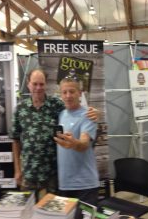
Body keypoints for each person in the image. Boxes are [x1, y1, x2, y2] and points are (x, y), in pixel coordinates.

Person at [10, 69, 98, 200]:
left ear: (46, 84)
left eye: (41, 84)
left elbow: (77, 108)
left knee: (55, 212)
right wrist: (17, 170)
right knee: (28, 212)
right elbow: (15, 140)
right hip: (29, 172)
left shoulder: (56, 105)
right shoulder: (20, 109)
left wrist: (95, 112)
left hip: (54, 175)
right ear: (28, 84)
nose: (38, 88)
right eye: (35, 84)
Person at [54, 77, 99, 209]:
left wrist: (74, 143)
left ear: (80, 93)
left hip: (85, 186)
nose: (68, 96)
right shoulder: (62, 114)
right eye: (64, 92)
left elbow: (84, 144)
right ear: (60, 94)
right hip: (64, 184)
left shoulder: (88, 115)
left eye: (72, 91)